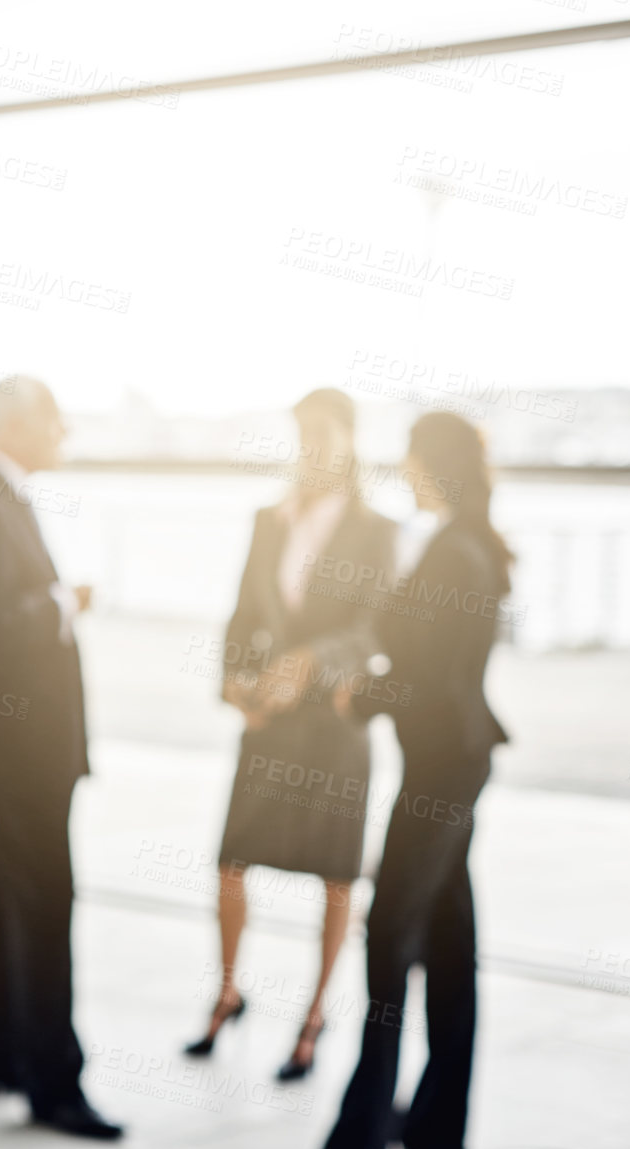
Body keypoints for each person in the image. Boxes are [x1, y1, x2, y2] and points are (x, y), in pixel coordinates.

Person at [190, 388, 395, 1079]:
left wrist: (309, 662)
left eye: (323, 435)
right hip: (269, 718)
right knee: (232, 860)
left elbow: (373, 627)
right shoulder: (268, 520)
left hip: (334, 721)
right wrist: (233, 682)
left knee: (337, 877)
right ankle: (226, 992)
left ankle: (313, 1016)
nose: (311, 448)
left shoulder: (376, 529)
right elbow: (243, 611)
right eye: (302, 434)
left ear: (349, 442)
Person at [322, 412, 511, 1149]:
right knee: (448, 941)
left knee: (390, 932)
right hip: (448, 761)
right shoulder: (460, 544)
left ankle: (363, 1127)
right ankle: (435, 1123)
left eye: (409, 457)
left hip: (444, 766)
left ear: (433, 464)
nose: (402, 469)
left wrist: (361, 698)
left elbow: (433, 681)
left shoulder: (457, 554)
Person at [0, 377, 122, 1140]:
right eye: (56, 419)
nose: (66, 432)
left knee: (18, 890)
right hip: (22, 743)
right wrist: (64, 602)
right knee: (49, 897)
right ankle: (56, 1083)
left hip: (29, 741)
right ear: (19, 425)